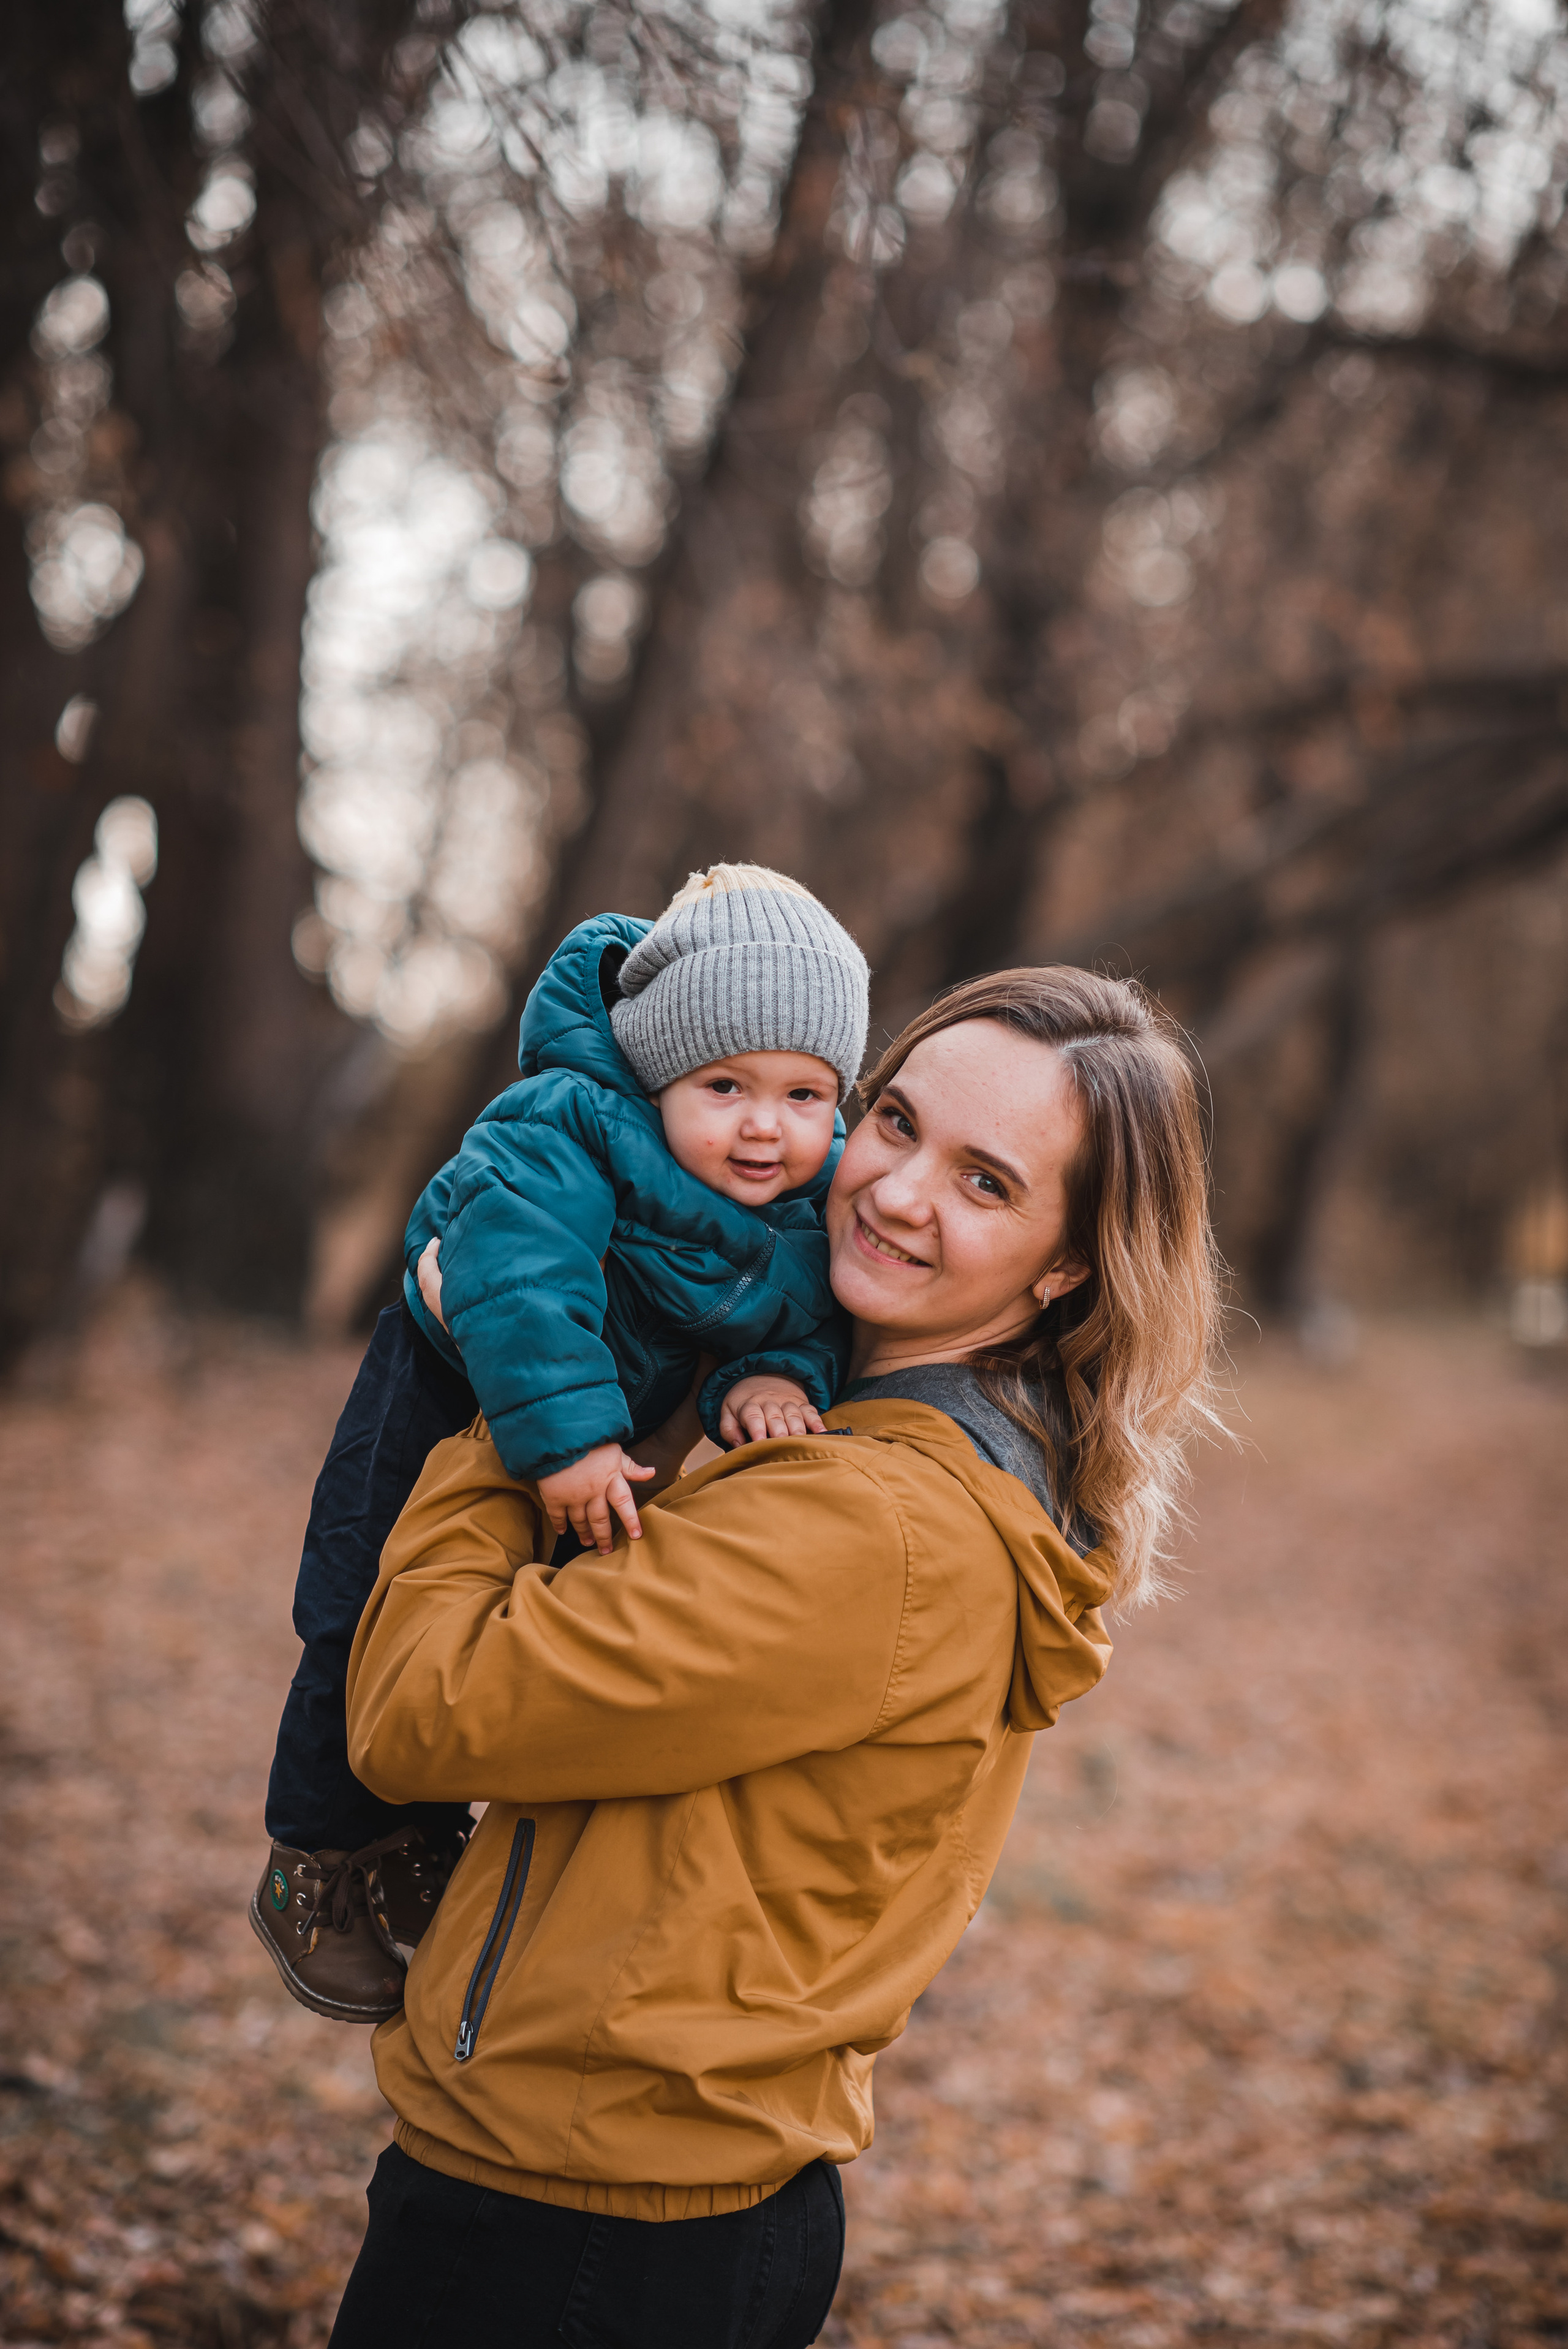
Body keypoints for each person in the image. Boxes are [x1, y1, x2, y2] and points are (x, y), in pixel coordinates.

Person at [325, 965, 1224, 2349]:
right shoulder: (892, 1440)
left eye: (985, 1183)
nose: (897, 1192)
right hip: (640, 2188)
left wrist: (516, 1391)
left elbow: (416, 1706)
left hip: (578, 2232)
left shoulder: (868, 1523)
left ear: (1064, 1267)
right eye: (895, 1121)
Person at [252, 865, 870, 2024]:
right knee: (361, 1601)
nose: (765, 1125)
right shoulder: (570, 1120)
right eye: (726, 1085)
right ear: (659, 1067)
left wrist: (774, 1374)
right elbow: (523, 1269)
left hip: (598, 1433)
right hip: (447, 1382)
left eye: (804, 1093)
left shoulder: (810, 1194)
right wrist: (572, 1436)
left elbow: (808, 1308)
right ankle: (316, 1857)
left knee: (497, 1640)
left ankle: (419, 1840)